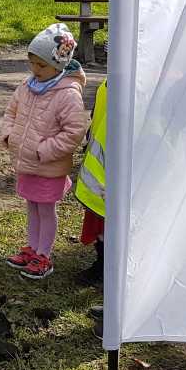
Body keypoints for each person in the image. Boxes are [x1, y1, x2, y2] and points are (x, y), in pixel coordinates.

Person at [1, 22, 88, 280]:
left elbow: (74, 131)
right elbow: (11, 112)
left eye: (41, 65)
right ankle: (32, 248)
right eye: (32, 63)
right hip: (26, 162)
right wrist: (9, 134)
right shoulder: (27, 87)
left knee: (46, 209)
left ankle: (44, 255)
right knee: (32, 206)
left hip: (47, 166)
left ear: (59, 64)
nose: (34, 70)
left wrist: (45, 150)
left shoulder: (68, 95)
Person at [75, 79, 107, 289]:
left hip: (127, 174)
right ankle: (102, 264)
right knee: (100, 224)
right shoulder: (107, 84)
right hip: (102, 176)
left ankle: (108, 270)